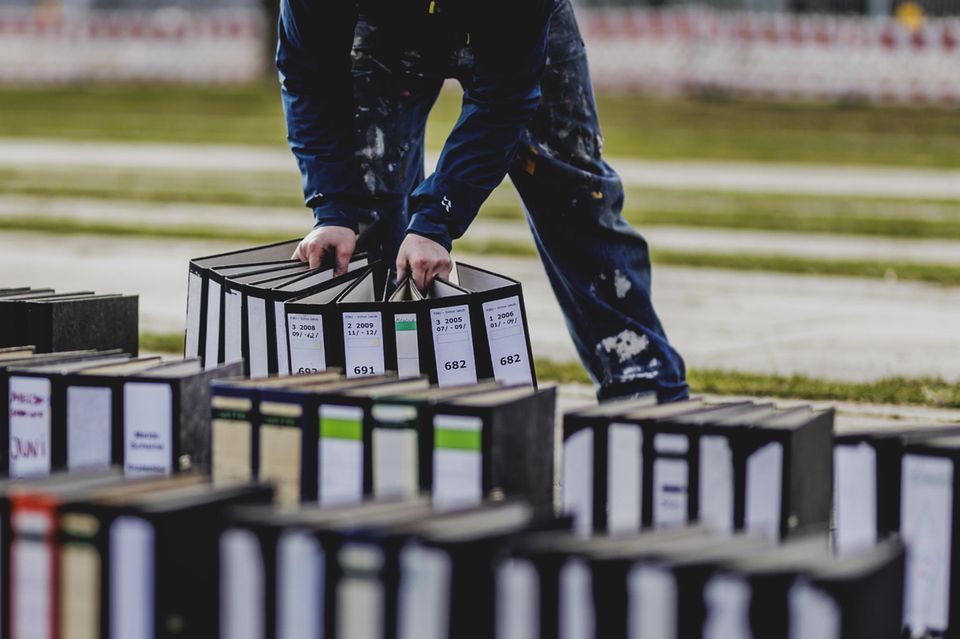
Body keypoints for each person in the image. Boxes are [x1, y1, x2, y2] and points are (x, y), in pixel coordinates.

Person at [278, 0, 688, 402]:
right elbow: (307, 73)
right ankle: (380, 399)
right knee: (366, 211)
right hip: (380, 24)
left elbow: (505, 96)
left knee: (574, 195)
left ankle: (644, 389)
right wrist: (332, 206)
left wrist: (436, 221)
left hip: (512, 19)